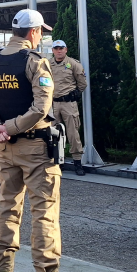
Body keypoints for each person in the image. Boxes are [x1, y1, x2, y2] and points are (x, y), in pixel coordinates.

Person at [0, 10, 60, 272]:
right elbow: (40, 108)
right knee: (44, 214)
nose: (41, 36)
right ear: (33, 32)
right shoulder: (35, 61)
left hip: (5, 148)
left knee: (8, 208)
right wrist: (10, 127)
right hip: (35, 148)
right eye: (41, 31)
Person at [49, 40, 87, 176]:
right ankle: (58, 162)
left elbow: (82, 83)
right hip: (53, 104)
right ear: (53, 50)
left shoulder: (73, 64)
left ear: (66, 49)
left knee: (73, 133)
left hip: (68, 104)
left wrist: (75, 93)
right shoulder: (48, 64)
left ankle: (77, 163)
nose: (59, 50)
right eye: (56, 48)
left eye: (61, 48)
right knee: (54, 134)